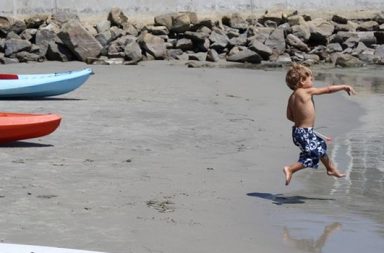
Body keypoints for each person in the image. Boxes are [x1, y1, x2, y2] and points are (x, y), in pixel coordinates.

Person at [283, 64, 356, 186]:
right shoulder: (306, 91)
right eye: (310, 79)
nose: (313, 81)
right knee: (312, 156)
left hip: (298, 132)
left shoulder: (292, 97)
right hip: (305, 132)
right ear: (302, 81)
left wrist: (301, 121)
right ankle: (291, 169)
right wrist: (344, 86)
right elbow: (327, 89)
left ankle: (331, 169)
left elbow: (289, 116)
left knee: (320, 147)